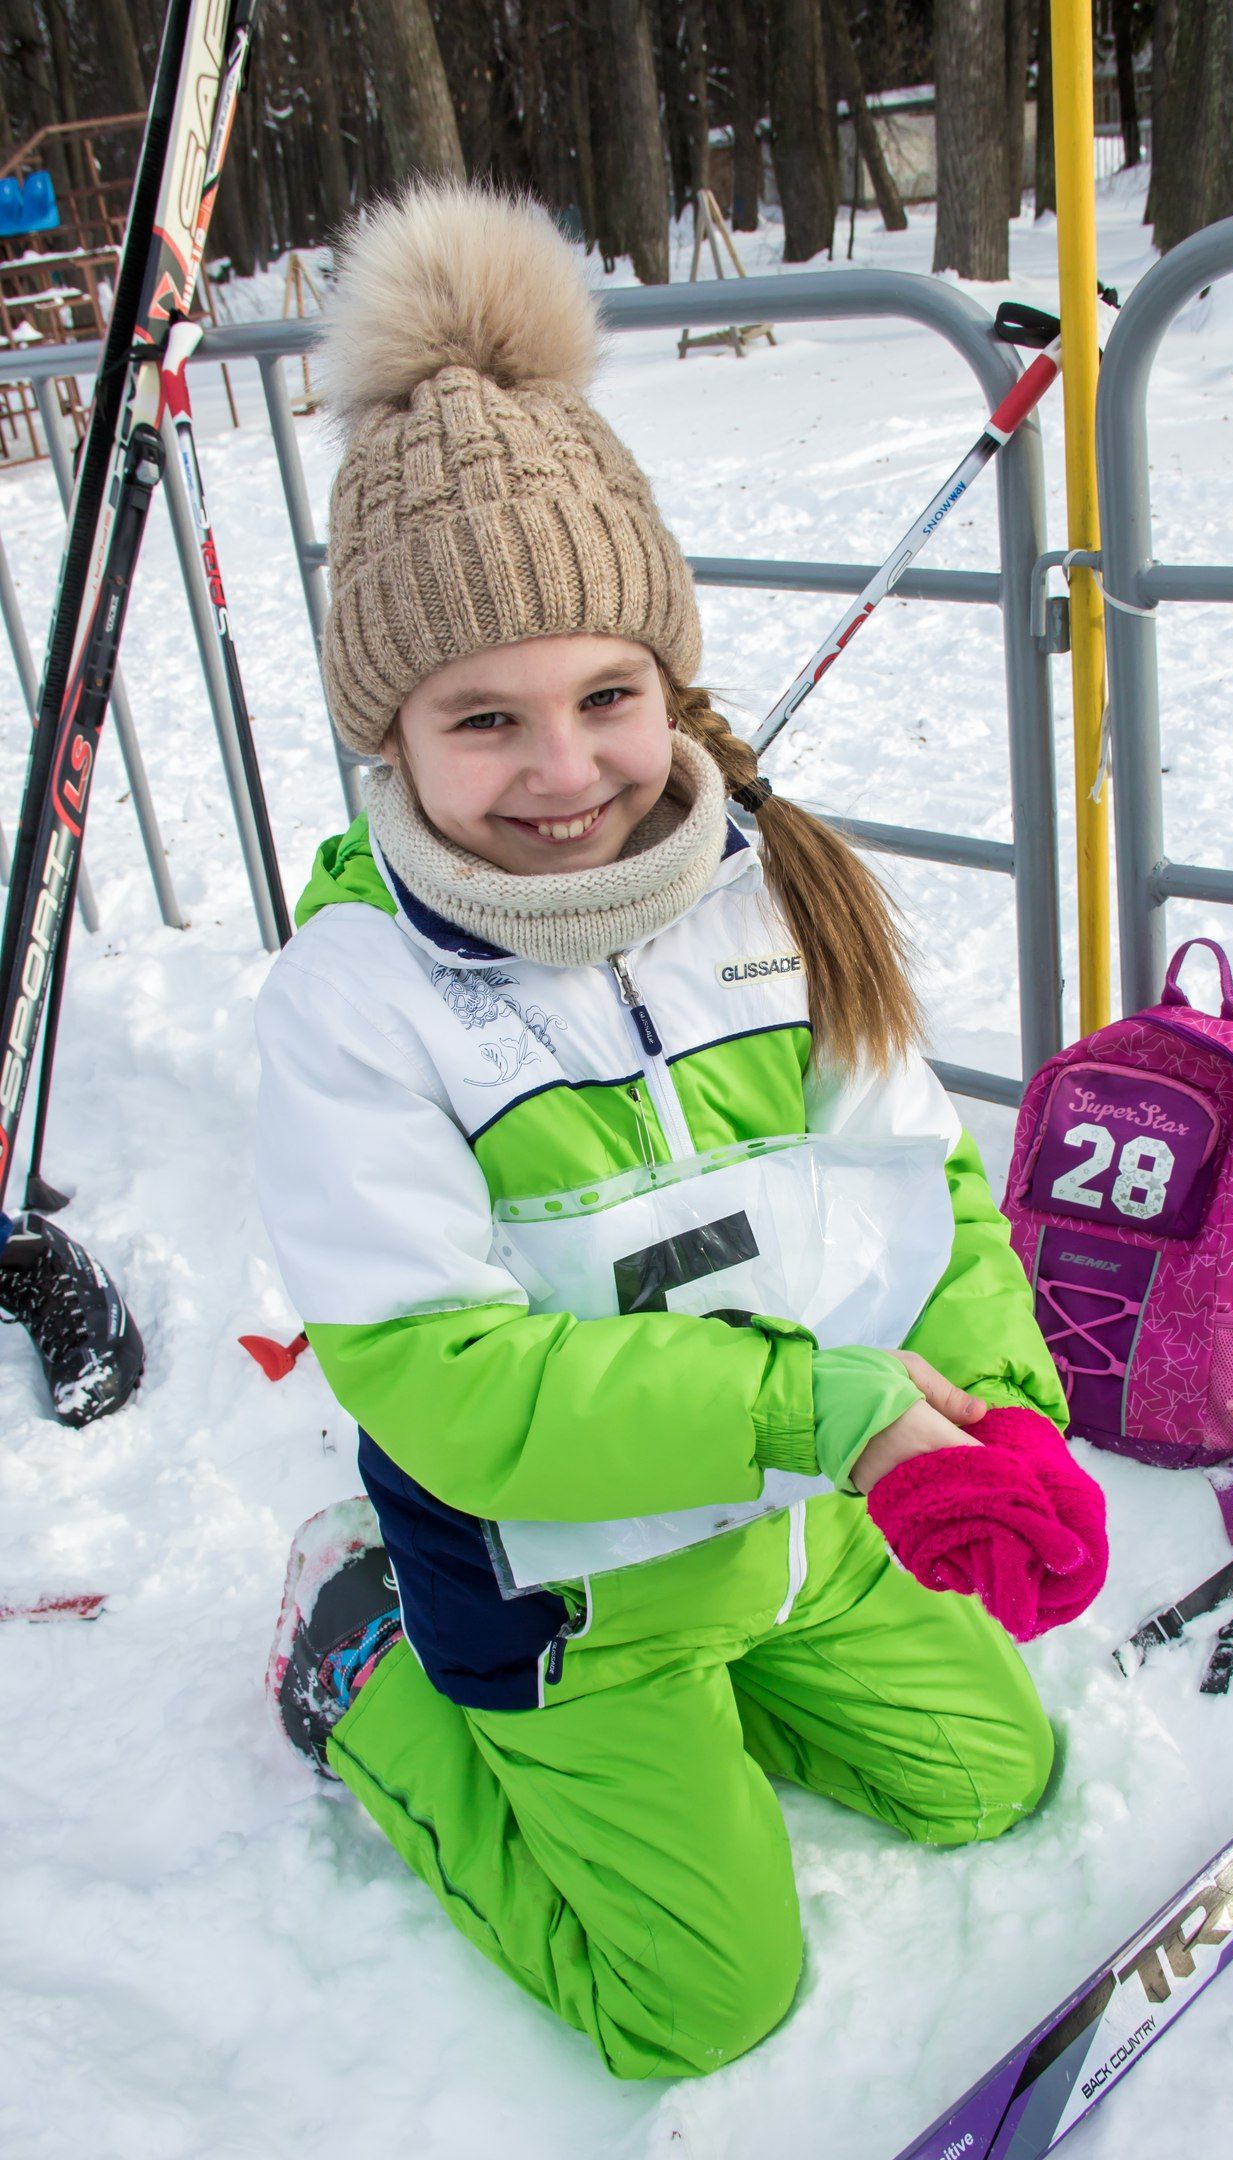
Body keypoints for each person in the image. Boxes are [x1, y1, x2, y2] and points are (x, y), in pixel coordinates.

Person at [255, 182, 1107, 2082]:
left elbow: (923, 1187)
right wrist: (835, 1411)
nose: (565, 772)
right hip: (568, 1591)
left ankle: (725, 1725)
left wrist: (993, 1408)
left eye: (607, 695)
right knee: (700, 2008)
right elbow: (446, 1378)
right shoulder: (355, 998)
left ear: (668, 681)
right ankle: (368, 1667)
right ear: (386, 738)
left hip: (808, 1526)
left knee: (997, 1777)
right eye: (484, 720)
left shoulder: (773, 898)